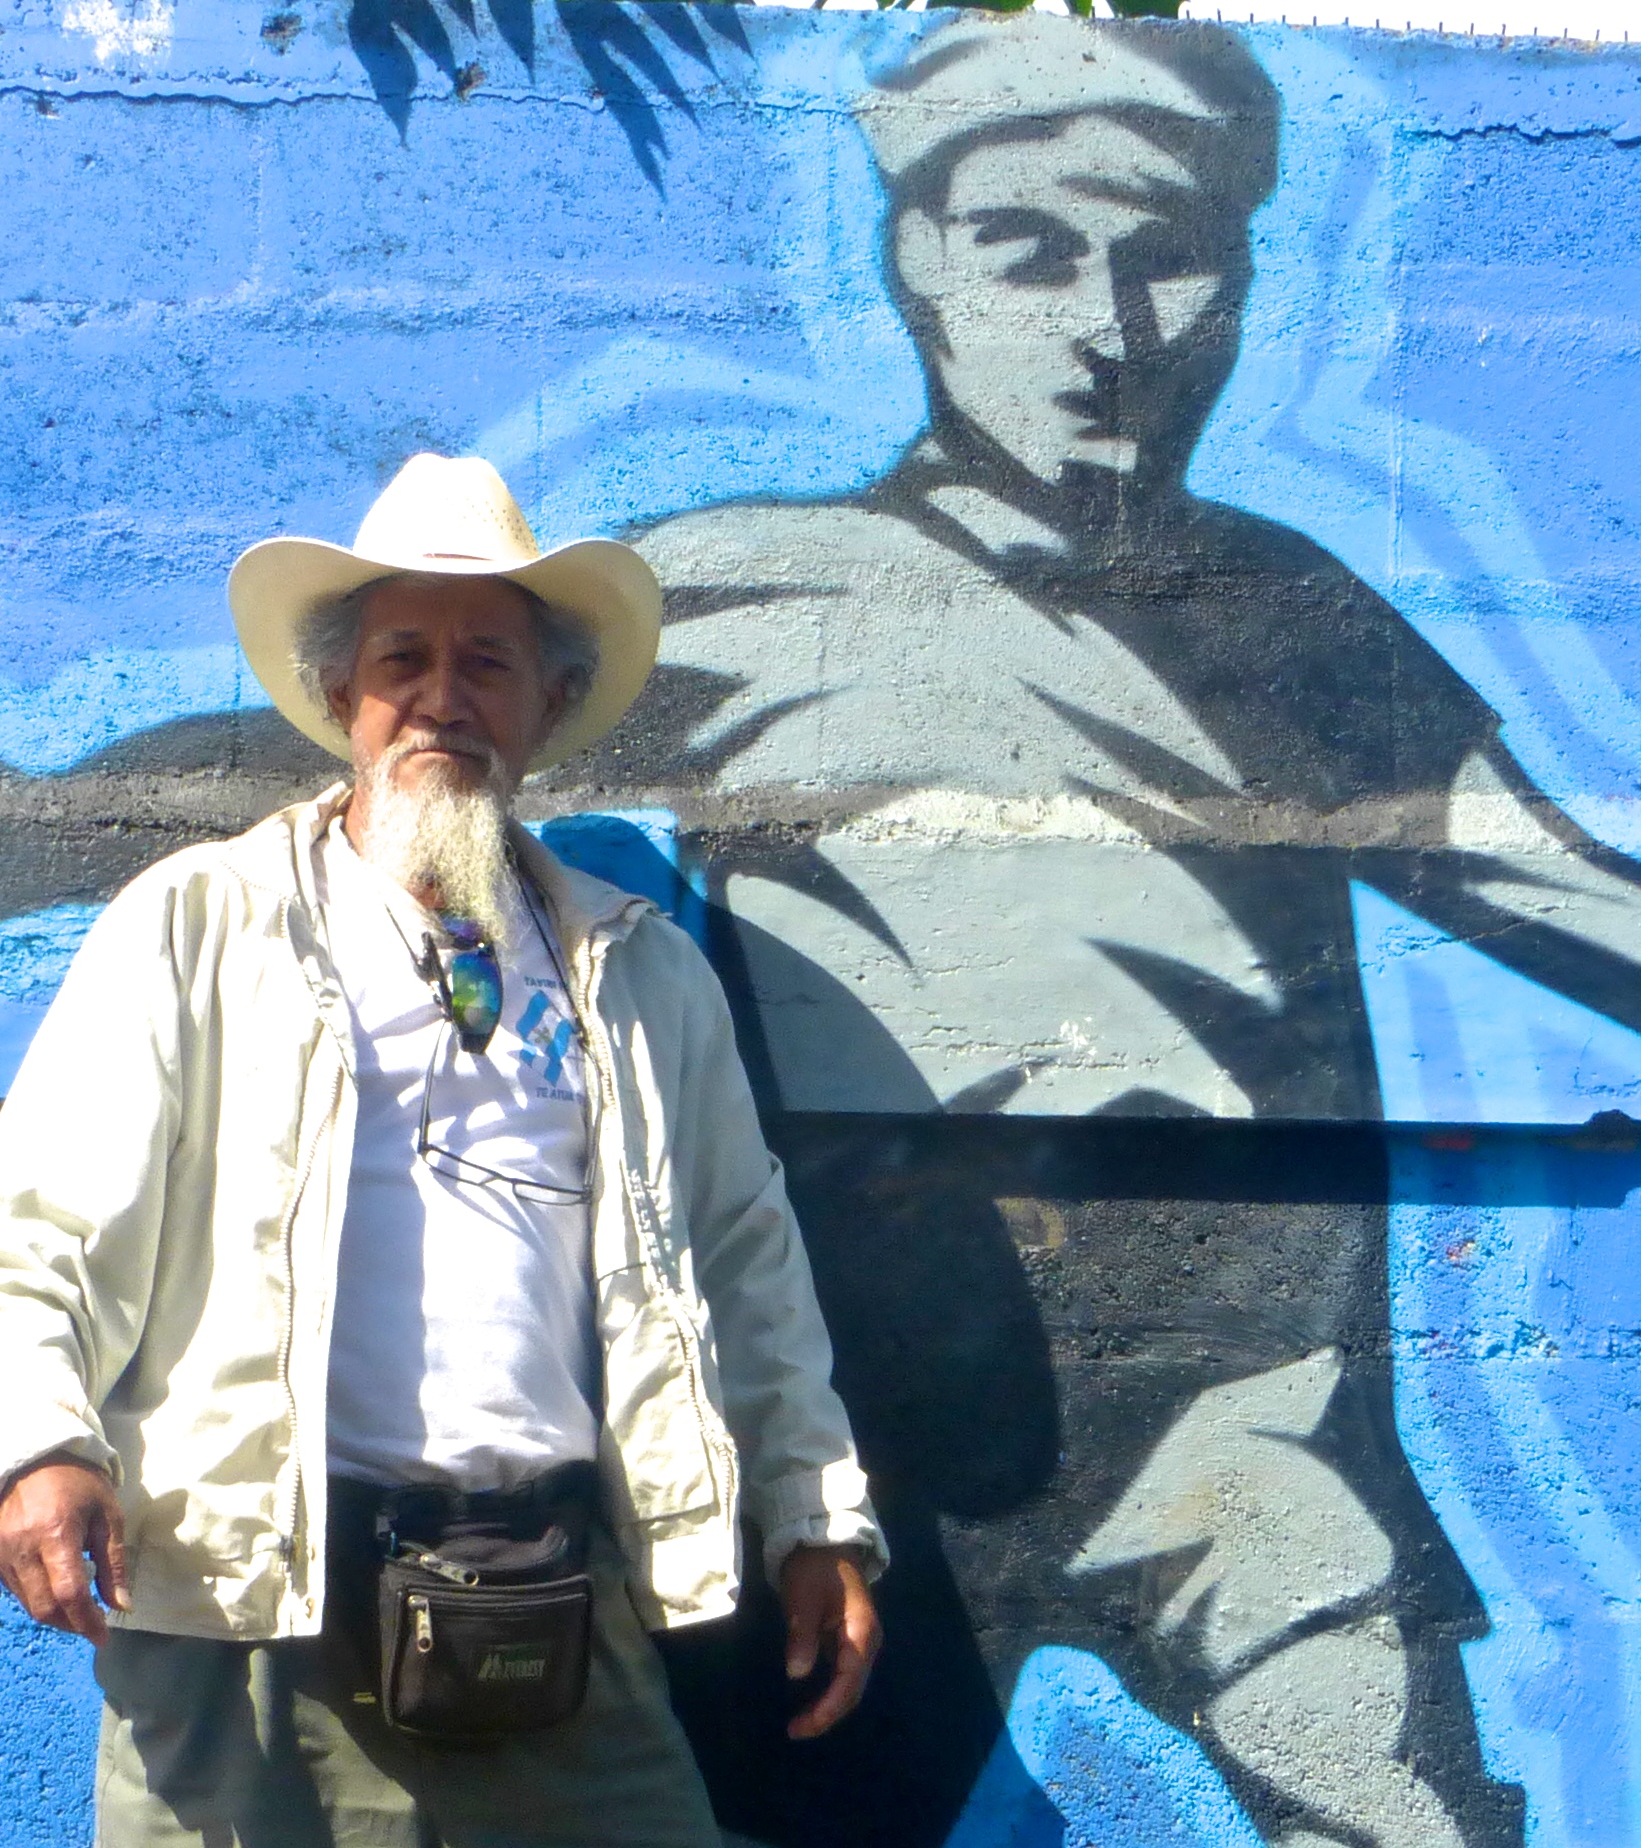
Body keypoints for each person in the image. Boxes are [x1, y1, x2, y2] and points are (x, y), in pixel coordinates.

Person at [628, 16, 1641, 1846]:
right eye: (1028, 251)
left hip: (1246, 1429)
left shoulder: (1292, 616)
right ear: (916, 259)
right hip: (863, 1438)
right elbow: (361, 752)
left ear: (1240, 279)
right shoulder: (737, 586)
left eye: (1169, 253)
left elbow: (1555, 890)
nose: (1109, 327)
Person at [0, 451, 886, 1848]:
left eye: (488, 661)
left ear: (548, 703)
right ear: (342, 695)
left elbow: (745, 1261)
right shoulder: (203, 924)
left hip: (560, 1612)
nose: (444, 695)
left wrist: (814, 1517)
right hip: (253, 1623)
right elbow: (35, 1236)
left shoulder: (638, 972)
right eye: (404, 658)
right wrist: (28, 1450)